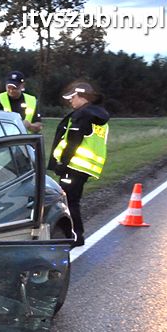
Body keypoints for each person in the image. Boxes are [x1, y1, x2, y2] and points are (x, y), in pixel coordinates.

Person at [48, 81, 110, 247]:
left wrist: (63, 163)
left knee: (68, 202)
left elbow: (73, 141)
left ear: (82, 97)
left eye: (73, 97)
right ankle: (76, 235)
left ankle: (76, 236)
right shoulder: (98, 115)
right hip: (85, 167)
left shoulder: (83, 115)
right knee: (72, 200)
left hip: (73, 166)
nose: (70, 101)